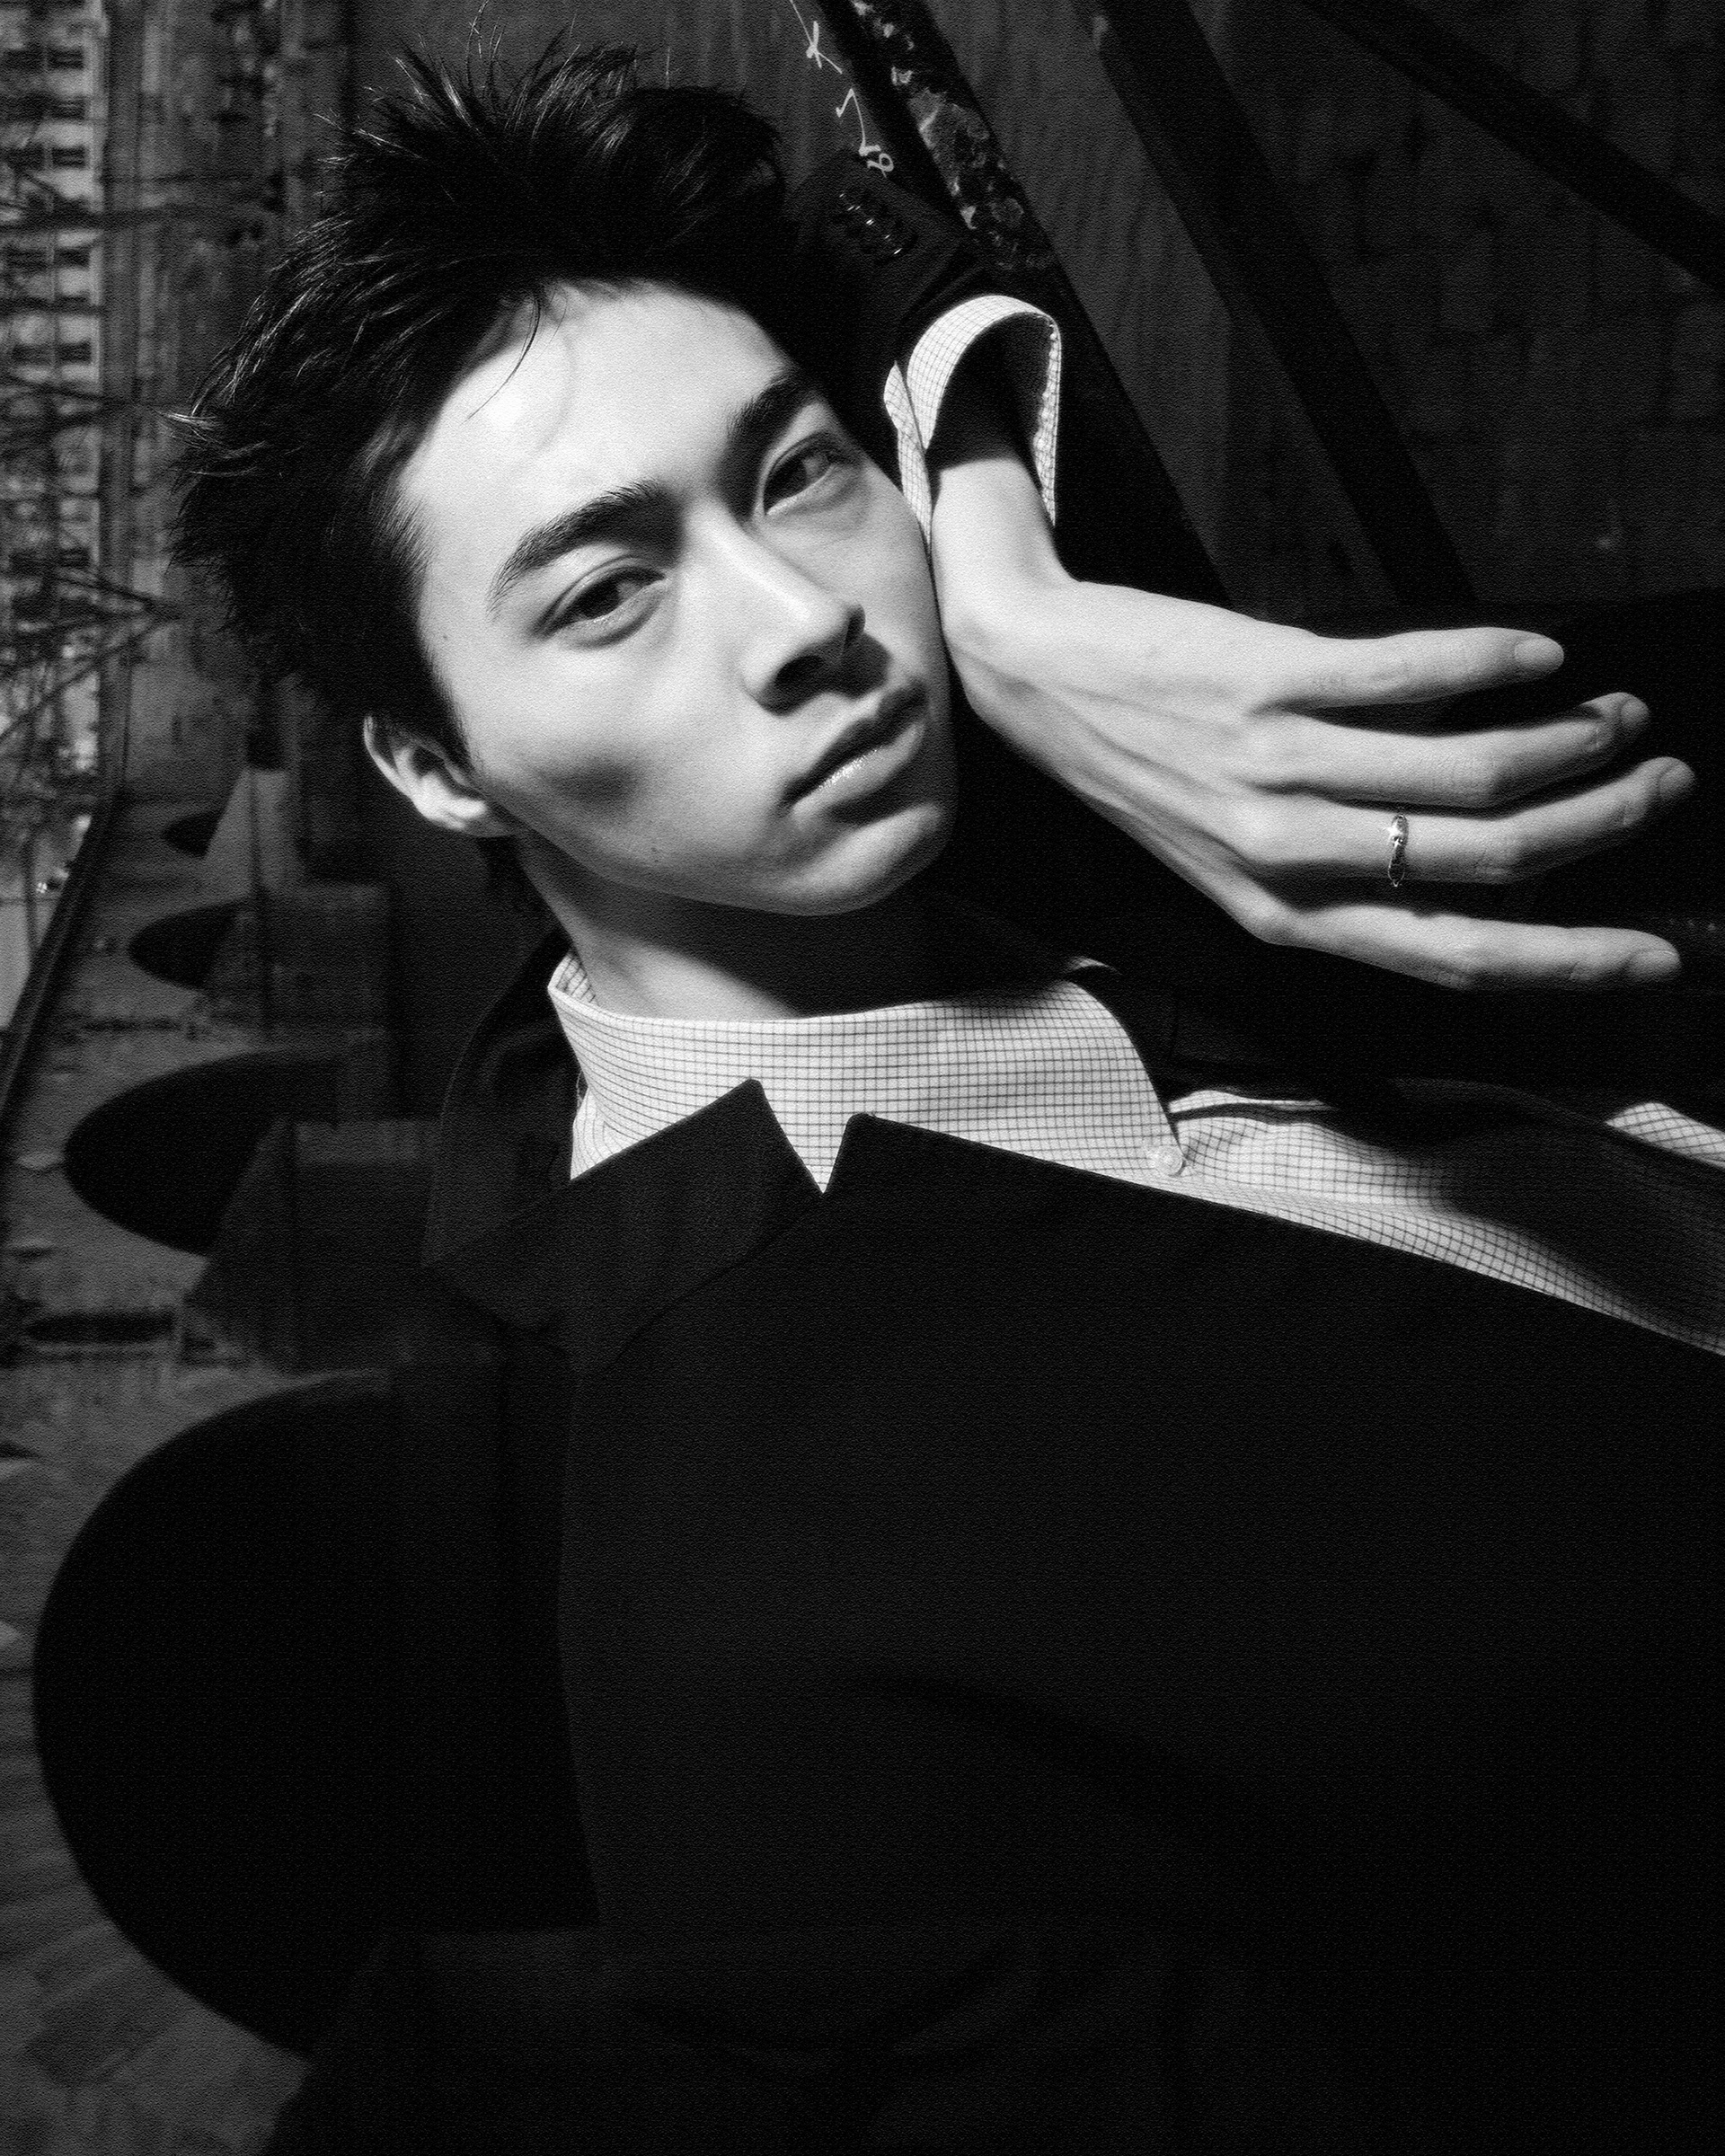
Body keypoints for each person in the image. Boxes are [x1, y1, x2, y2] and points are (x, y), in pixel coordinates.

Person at [172, 44, 1724, 2153]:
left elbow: (881, 182)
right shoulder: (763, 1664)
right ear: (440, 767)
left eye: (796, 477)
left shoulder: (1023, 787)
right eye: (606, 596)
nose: (807, 624)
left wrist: (1004, 580)